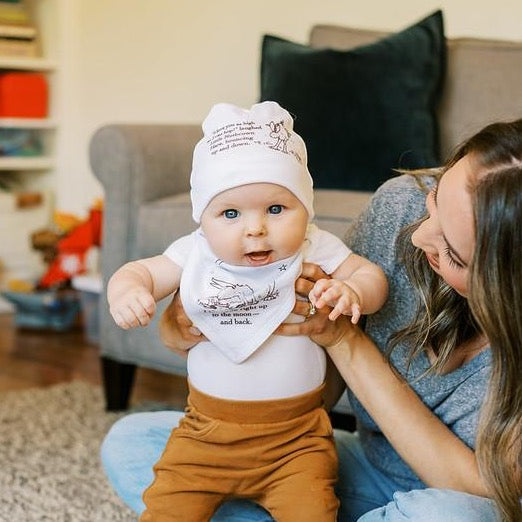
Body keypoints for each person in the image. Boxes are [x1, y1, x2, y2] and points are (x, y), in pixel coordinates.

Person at [102, 118, 522, 522]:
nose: (417, 236)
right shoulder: (400, 208)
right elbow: (317, 377)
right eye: (434, 202)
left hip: (452, 499)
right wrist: (185, 330)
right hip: (333, 461)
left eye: (451, 252)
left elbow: (482, 489)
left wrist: (343, 338)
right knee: (132, 443)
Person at [106, 101, 388, 521]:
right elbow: (138, 271)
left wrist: (354, 291)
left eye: (276, 209)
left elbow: (372, 276)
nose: (254, 228)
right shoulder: (196, 251)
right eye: (231, 213)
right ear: (204, 219)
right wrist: (127, 292)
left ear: (304, 209)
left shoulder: (315, 246)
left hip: (297, 444)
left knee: (314, 510)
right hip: (204, 439)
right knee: (167, 505)